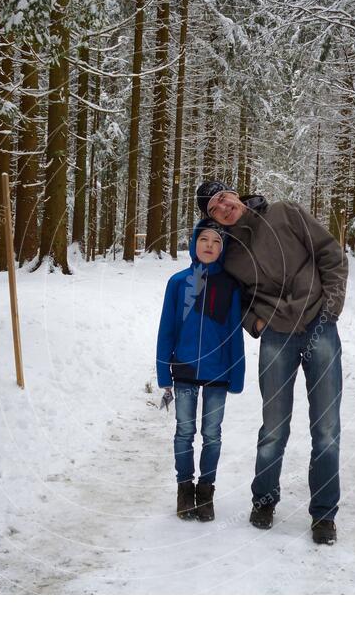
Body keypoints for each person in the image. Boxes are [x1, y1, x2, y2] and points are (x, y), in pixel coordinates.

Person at [196, 181, 348, 545]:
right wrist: (256, 323)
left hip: (319, 327)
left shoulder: (286, 213)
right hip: (276, 336)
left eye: (224, 198)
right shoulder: (230, 253)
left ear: (236, 195)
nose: (223, 207)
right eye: (214, 208)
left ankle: (324, 515)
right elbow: (237, 299)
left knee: (326, 429)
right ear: (213, 218)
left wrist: (330, 309)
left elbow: (331, 254)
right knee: (274, 428)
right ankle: (264, 500)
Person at [156, 218, 246, 522]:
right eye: (204, 239)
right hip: (183, 370)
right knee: (184, 431)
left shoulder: (230, 286)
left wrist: (237, 373)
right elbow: (166, 329)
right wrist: (162, 372)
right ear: (194, 243)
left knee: (212, 434)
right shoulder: (179, 282)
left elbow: (235, 332)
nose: (209, 246)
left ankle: (206, 491)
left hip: (218, 373)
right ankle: (185, 490)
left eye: (217, 241)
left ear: (223, 249)